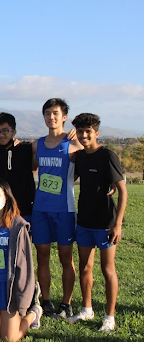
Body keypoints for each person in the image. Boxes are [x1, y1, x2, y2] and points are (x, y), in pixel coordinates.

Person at [69, 113, 127, 332]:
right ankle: (87, 309)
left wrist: (118, 224)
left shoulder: (108, 156)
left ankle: (109, 316)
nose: (84, 136)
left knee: (107, 269)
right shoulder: (80, 157)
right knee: (85, 267)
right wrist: (70, 140)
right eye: (80, 132)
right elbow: (68, 158)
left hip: (106, 223)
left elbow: (123, 191)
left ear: (96, 133)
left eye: (88, 132)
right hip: (84, 220)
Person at [31, 98, 83, 318]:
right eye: (47, 113)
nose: (51, 117)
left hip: (65, 209)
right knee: (42, 256)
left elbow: (91, 164)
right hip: (41, 209)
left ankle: (66, 303)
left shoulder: (74, 144)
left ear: (64, 117)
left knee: (65, 257)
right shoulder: (37, 144)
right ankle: (46, 301)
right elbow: (32, 168)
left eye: (55, 113)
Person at [0, 178, 42, 341]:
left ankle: (34, 313)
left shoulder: (18, 225)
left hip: (8, 289)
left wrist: (24, 293)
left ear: (6, 197)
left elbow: (26, 264)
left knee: (9, 339)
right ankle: (0, 318)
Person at [0, 112, 35, 222]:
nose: (1, 135)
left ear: (14, 132)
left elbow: (47, 144)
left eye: (5, 131)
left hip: (24, 209)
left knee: (22, 239)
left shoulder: (25, 149)